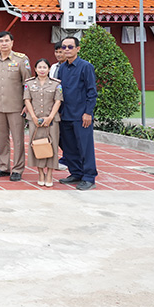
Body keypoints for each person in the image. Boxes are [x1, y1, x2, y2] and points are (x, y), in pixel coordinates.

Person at [0, 31, 31, 182]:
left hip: (16, 107)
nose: (4, 44)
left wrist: (27, 104)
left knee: (18, 139)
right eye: (1, 41)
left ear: (12, 43)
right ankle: (3, 167)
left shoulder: (21, 60)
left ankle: (17, 169)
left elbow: (27, 84)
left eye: (6, 41)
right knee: (2, 138)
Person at [56, 36, 98, 191]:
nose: (66, 50)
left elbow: (92, 92)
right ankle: (76, 173)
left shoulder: (86, 67)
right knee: (69, 147)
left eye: (70, 47)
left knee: (85, 147)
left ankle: (89, 177)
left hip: (81, 116)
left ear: (77, 49)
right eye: (64, 47)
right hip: (65, 114)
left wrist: (88, 112)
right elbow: (59, 91)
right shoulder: (62, 68)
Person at [24, 58, 63, 188]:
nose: (42, 70)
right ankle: (40, 173)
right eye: (39, 67)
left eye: (44, 67)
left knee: (52, 145)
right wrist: (33, 117)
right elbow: (27, 100)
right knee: (37, 145)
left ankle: (50, 173)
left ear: (49, 69)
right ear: (35, 69)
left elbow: (58, 101)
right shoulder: (29, 83)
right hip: (35, 120)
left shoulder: (56, 84)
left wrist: (50, 117)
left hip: (51, 121)